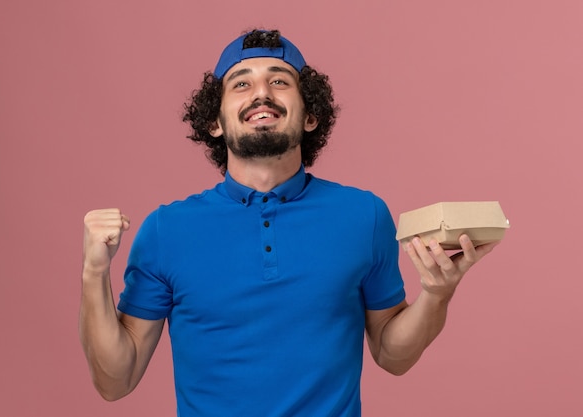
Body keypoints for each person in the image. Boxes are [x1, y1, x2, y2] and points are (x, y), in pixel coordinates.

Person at [80, 29, 498, 416]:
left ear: (310, 116)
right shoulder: (165, 230)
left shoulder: (364, 215)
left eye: (280, 80)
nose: (261, 93)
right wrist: (94, 272)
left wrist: (436, 294)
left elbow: (393, 354)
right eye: (240, 83)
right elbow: (116, 380)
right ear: (215, 122)